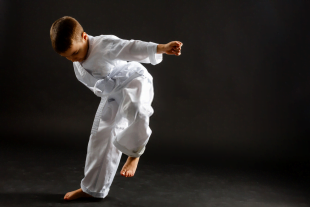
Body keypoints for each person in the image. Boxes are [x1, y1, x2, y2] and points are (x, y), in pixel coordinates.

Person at [50, 16, 183, 201]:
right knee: (100, 136)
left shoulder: (103, 44)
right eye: (67, 57)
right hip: (113, 94)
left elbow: (131, 47)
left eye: (75, 53)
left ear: (85, 37)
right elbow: (99, 86)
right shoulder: (77, 65)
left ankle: (134, 154)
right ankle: (92, 189)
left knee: (135, 109)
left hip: (134, 80)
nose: (74, 59)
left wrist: (161, 48)